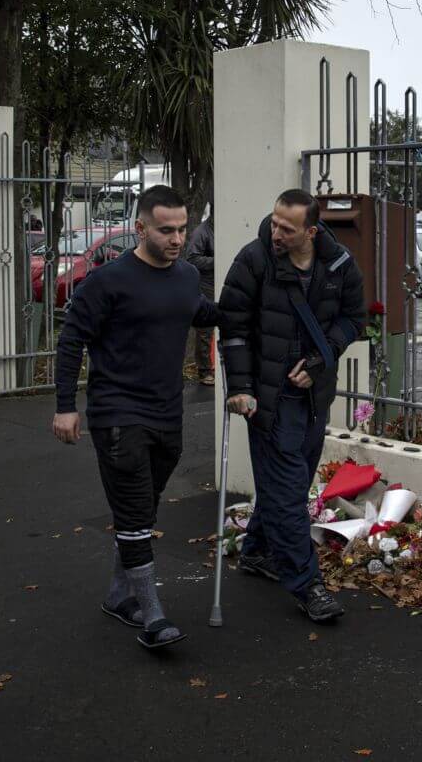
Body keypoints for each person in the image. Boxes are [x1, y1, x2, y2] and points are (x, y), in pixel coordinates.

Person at [51, 185, 220, 651]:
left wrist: (251, 307)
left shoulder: (186, 276)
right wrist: (65, 406)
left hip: (168, 413)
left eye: (182, 229)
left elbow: (199, 311)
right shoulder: (108, 282)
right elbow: (72, 341)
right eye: (166, 230)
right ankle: (153, 615)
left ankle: (118, 595)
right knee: (133, 511)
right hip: (118, 413)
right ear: (140, 228)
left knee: (142, 509)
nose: (177, 238)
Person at [219, 188, 365, 623]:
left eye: (287, 228)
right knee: (286, 493)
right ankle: (307, 585)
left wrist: (321, 359)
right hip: (268, 398)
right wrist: (240, 387)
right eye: (275, 222)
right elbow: (233, 327)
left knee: (293, 485)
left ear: (311, 232)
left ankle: (257, 550)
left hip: (314, 396)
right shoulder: (254, 260)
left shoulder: (339, 265)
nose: (276, 232)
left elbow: (354, 319)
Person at [184, 211, 217, 386]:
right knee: (205, 330)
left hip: (220, 282)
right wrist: (217, 260)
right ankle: (204, 370)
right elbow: (192, 258)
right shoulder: (202, 232)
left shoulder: (220, 228)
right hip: (207, 285)